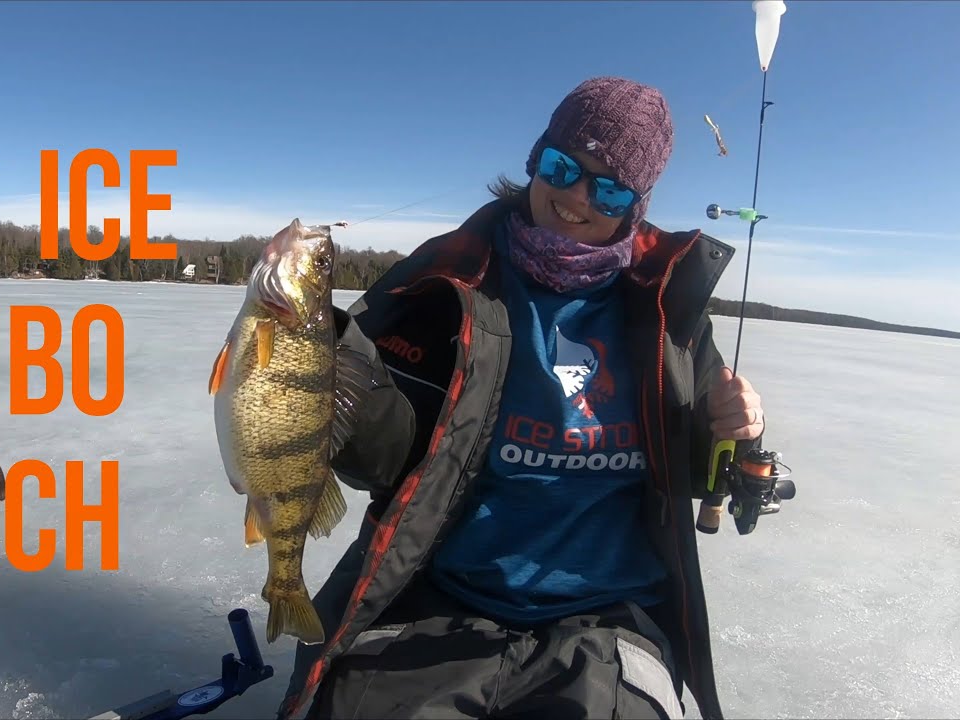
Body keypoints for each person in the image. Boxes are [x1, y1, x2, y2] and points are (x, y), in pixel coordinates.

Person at [275, 76, 768, 720]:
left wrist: (739, 431)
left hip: (610, 619)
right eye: (563, 166)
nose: (575, 196)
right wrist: (327, 364)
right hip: (440, 597)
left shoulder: (665, 308)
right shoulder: (448, 279)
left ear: (635, 206)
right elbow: (380, 462)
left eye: (610, 187)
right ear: (537, 158)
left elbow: (706, 467)